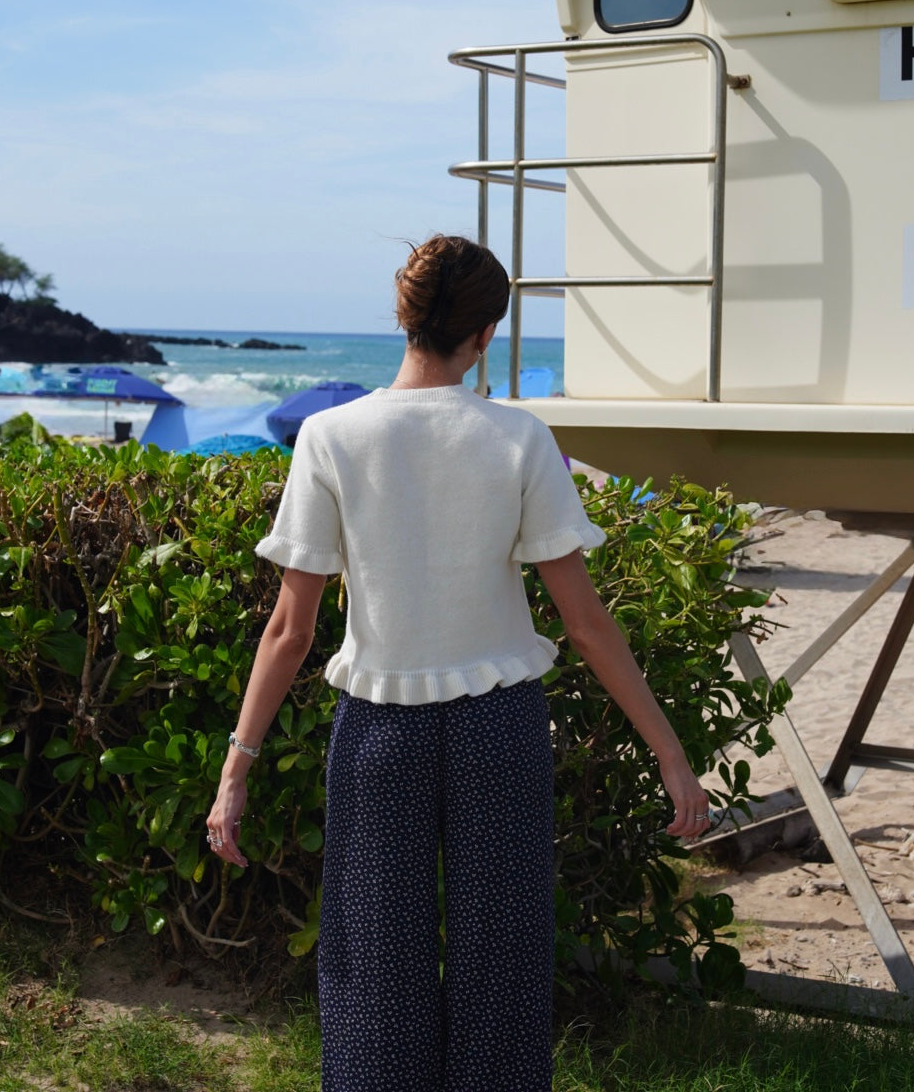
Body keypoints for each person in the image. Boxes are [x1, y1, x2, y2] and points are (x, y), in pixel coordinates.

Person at [206, 234, 709, 1092]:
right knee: (502, 969)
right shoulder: (520, 439)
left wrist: (236, 769)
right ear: (484, 334)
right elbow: (586, 625)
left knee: (374, 969)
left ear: (404, 319)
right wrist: (670, 754)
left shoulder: (329, 437)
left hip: (378, 736)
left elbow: (290, 630)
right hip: (499, 729)